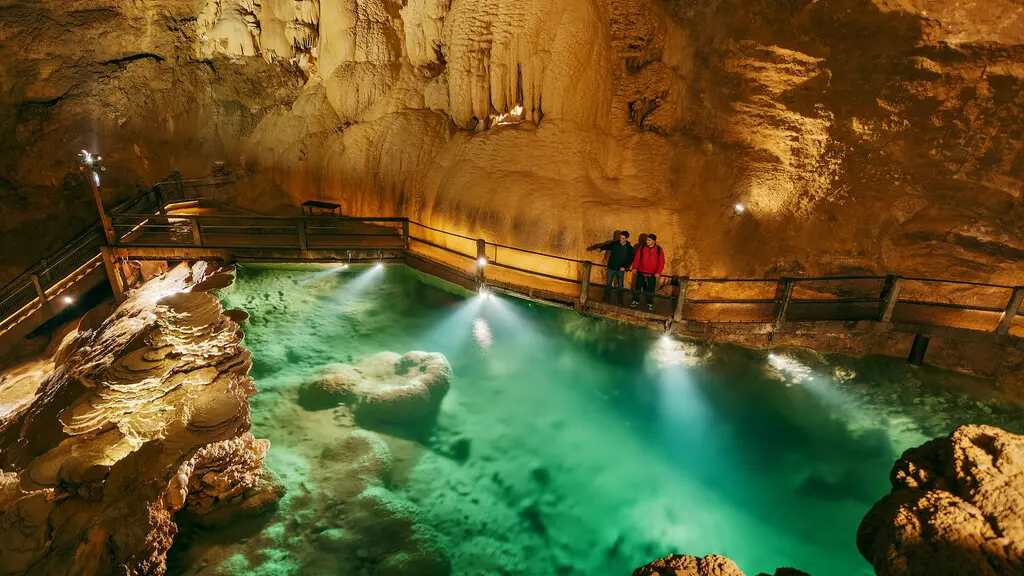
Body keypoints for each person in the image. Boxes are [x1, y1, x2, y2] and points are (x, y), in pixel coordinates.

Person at [587, 231, 635, 304]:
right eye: (620, 237)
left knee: (620, 285)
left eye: (623, 238)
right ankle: (607, 296)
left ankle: (620, 299)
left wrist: (625, 267)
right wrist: (600, 248)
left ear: (626, 239)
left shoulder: (629, 248)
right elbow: (607, 246)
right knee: (609, 283)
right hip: (611, 267)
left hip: (620, 269)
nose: (621, 239)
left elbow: (630, 259)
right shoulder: (615, 244)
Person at [631, 233, 665, 311]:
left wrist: (658, 272)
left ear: (654, 241)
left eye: (649, 240)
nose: (647, 241)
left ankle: (649, 302)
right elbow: (637, 258)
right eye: (647, 239)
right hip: (641, 271)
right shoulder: (642, 247)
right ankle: (635, 300)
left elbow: (661, 262)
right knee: (638, 287)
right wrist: (635, 268)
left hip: (652, 273)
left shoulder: (659, 250)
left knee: (651, 289)